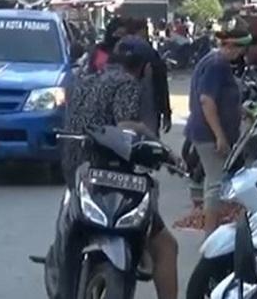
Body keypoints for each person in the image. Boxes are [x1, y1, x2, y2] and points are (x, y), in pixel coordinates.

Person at [61, 36, 179, 299]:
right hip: (111, 177)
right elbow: (127, 127)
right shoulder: (127, 84)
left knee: (70, 229)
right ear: (145, 68)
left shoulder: (86, 80)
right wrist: (166, 153)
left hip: (76, 172)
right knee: (167, 246)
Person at [186, 29, 251, 236]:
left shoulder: (212, 60)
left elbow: (221, 98)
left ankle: (212, 230)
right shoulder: (217, 65)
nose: (241, 53)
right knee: (217, 185)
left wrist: (242, 110)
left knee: (212, 183)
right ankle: (211, 234)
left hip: (204, 131)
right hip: (209, 134)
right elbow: (207, 100)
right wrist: (220, 135)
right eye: (240, 48)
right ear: (231, 46)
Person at [126, 18, 172, 136]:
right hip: (148, 105)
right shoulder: (148, 51)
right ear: (141, 30)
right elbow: (161, 83)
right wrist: (166, 113)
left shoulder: (118, 48)